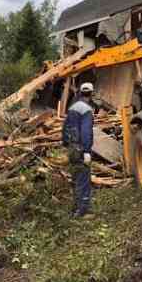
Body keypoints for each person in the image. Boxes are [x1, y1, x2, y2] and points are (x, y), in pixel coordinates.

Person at [62, 82, 95, 218]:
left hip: (72, 148)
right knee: (83, 178)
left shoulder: (73, 108)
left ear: (80, 93)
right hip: (81, 149)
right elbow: (86, 132)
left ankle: (75, 208)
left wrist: (66, 144)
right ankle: (82, 212)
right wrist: (87, 151)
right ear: (91, 94)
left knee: (75, 178)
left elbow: (64, 128)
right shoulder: (86, 110)